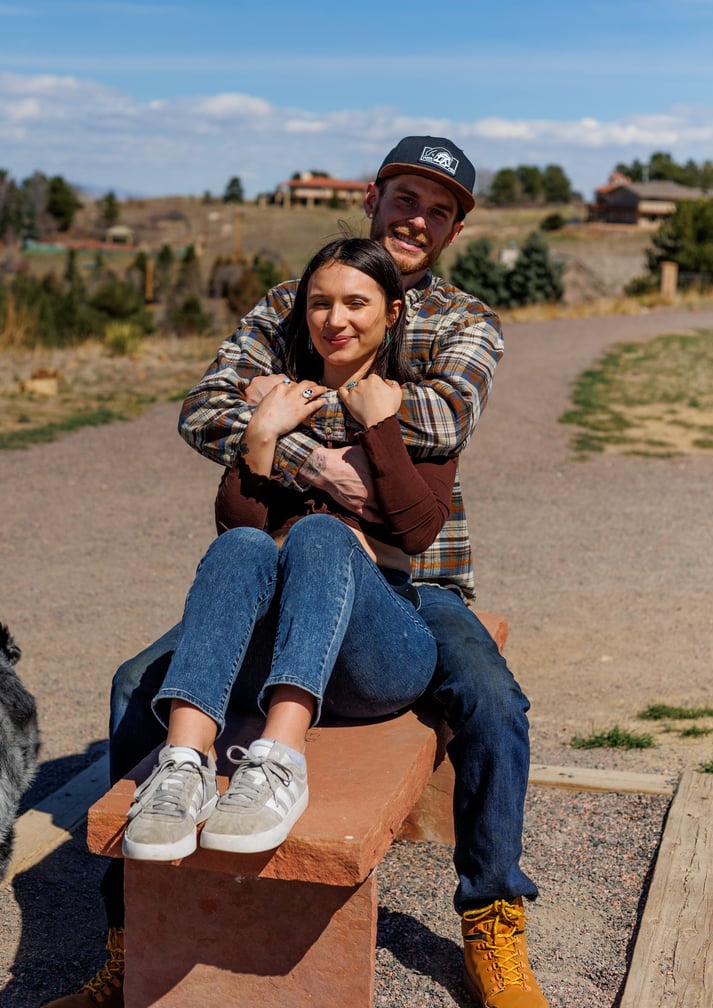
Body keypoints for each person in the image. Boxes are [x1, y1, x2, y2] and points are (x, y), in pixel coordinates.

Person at [44, 137, 548, 1008]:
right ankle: (131, 933)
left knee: (493, 702)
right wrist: (315, 461)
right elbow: (205, 409)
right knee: (135, 684)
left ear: (455, 229)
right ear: (372, 198)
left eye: (438, 210)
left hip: (415, 576)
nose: (416, 220)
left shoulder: (466, 320)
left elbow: (444, 421)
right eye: (405, 198)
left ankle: (492, 916)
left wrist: (286, 414)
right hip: (283, 560)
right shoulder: (292, 300)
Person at [121, 235, 453, 862]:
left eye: (356, 303)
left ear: (392, 312)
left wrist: (381, 427)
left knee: (318, 533)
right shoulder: (280, 400)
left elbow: (417, 531)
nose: (336, 320)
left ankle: (280, 762)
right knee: (246, 544)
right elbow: (236, 522)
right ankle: (183, 766)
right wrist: (263, 434)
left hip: (378, 653)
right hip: (274, 648)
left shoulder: (414, 410)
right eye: (320, 303)